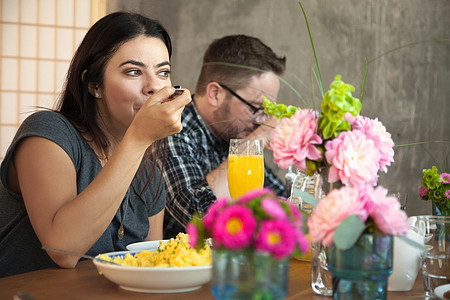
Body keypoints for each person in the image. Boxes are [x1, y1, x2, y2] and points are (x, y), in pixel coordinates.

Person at [0, 12, 191, 277]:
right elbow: (63, 250)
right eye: (134, 71)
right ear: (94, 84)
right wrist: (138, 139)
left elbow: (150, 268)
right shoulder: (48, 132)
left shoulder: (149, 173)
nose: (153, 87)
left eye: (163, 72)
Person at [162, 34, 287, 239]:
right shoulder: (172, 128)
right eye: (256, 108)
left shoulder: (235, 131)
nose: (262, 121)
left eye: (267, 112)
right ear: (215, 94)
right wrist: (256, 140)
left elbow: (281, 204)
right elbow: (197, 216)